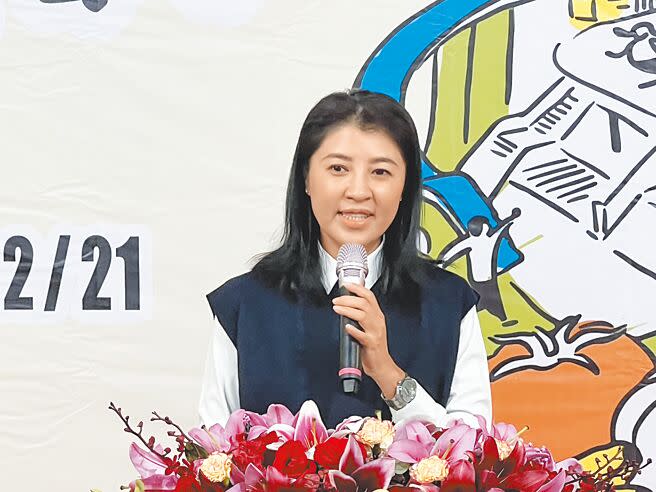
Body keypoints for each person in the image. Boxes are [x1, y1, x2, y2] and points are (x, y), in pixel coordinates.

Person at [198, 89, 491, 430]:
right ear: (306, 179)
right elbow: (213, 446)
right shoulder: (245, 305)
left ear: (405, 187)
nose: (358, 191)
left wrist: (389, 374)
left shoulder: (448, 303)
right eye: (338, 169)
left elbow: (473, 451)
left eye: (380, 172)